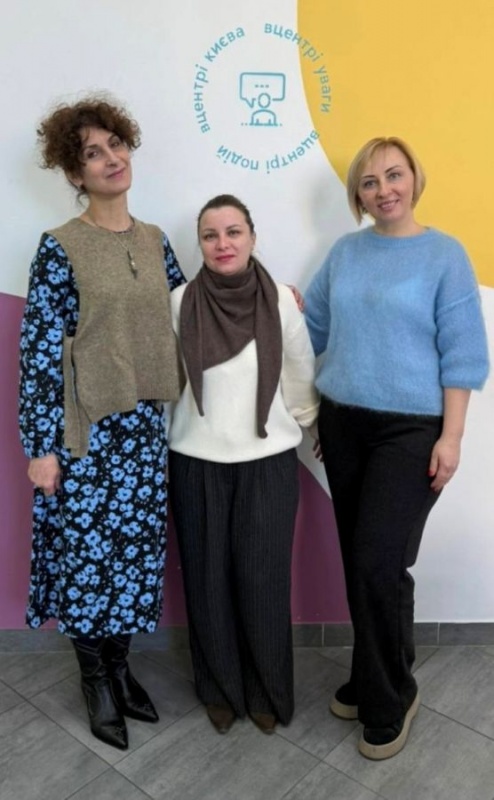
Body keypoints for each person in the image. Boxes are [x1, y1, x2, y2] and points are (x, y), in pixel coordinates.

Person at [304, 137, 489, 760]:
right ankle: (372, 674)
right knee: (371, 563)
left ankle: (389, 698)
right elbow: (312, 330)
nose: (383, 189)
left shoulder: (445, 255)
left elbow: (464, 353)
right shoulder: (345, 253)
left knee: (375, 562)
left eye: (394, 175)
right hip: (342, 424)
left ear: (414, 179)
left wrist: (451, 437)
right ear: (357, 195)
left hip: (411, 431)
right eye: (369, 181)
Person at [19, 96, 186, 750]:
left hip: (143, 433)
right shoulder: (60, 247)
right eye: (93, 152)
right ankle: (96, 682)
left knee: (134, 560)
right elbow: (39, 353)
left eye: (116, 143)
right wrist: (41, 448)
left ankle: (120, 669)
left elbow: (188, 311)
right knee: (89, 562)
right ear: (74, 172)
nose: (112, 158)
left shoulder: (155, 240)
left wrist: (266, 295)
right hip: (85, 434)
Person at [168, 194, 319, 735]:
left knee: (264, 583)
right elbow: (168, 385)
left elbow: (299, 372)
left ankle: (266, 692)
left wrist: (312, 425)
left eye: (233, 232)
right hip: (195, 461)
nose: (223, 243)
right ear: (200, 244)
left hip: (268, 462)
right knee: (206, 583)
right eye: (210, 235)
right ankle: (219, 690)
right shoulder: (179, 301)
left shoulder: (279, 300)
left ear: (253, 237)